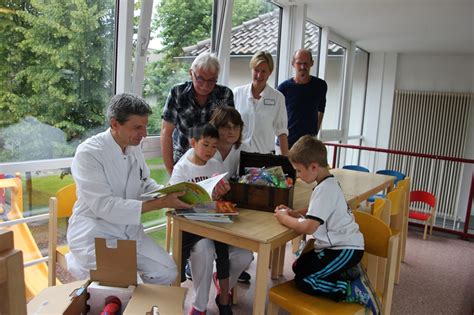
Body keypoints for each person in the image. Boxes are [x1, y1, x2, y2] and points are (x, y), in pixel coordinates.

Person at [66, 93, 191, 285]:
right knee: (125, 281)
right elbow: (104, 206)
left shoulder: (133, 147)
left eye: (145, 126)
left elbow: (144, 182)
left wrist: (169, 191)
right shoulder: (89, 153)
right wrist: (159, 204)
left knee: (167, 271)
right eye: (137, 127)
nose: (145, 134)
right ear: (115, 123)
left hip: (129, 231)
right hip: (95, 232)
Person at [274, 135, 379, 315]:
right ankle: (342, 273)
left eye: (299, 171)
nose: (297, 176)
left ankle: (350, 290)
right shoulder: (326, 183)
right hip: (335, 246)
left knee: (305, 281)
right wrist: (293, 212)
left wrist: (284, 218)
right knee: (298, 267)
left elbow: (309, 227)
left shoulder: (325, 188)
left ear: (314, 166)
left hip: (344, 248)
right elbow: (316, 209)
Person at [169, 124, 252, 315]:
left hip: (218, 224)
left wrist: (223, 195)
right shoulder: (182, 168)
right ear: (193, 142)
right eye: (205, 145)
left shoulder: (216, 164)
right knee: (205, 250)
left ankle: (222, 289)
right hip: (194, 228)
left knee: (244, 255)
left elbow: (221, 196)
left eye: (214, 146)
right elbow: (174, 202)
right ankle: (200, 306)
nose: (210, 151)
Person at [160, 52, 234, 176]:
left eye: (211, 81)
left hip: (213, 161)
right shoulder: (177, 93)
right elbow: (166, 133)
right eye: (200, 79)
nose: (205, 86)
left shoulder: (225, 95)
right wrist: (171, 170)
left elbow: (228, 132)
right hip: (183, 161)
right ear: (191, 73)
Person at [233, 51, 289, 155]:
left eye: (264, 71)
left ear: (270, 72)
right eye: (256, 70)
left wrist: (287, 161)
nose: (259, 75)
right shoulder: (238, 93)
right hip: (237, 155)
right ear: (251, 69)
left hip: (264, 157)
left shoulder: (278, 98)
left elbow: (282, 132)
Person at [277, 49, 327, 149]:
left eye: (306, 63)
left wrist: (314, 133)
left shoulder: (320, 85)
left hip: (309, 145)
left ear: (312, 63)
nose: (303, 67)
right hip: (286, 143)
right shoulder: (283, 88)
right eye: (299, 63)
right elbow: (276, 115)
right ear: (293, 64)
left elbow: (321, 110)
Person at [209, 106, 246, 178]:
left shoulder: (245, 150)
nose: (231, 131)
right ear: (215, 128)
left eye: (235, 127)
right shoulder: (204, 149)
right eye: (226, 127)